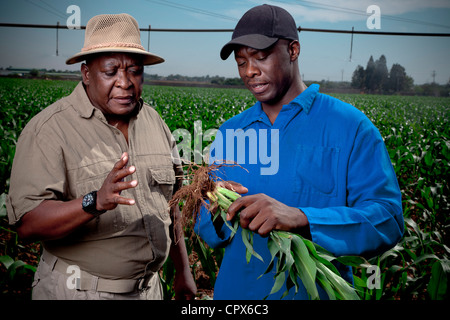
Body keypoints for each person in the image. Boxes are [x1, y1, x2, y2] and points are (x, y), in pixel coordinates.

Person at [195, 4, 404, 300]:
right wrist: (214, 210)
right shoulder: (230, 132)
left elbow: (388, 219)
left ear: (293, 51)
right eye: (241, 62)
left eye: (261, 57)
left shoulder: (351, 127)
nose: (250, 71)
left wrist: (302, 218)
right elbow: (206, 229)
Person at [6, 13, 196, 300]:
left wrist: (183, 272)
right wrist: (93, 202)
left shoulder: (154, 121)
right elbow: (27, 224)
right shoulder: (49, 130)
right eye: (111, 72)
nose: (125, 82)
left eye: (134, 70)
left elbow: (172, 206)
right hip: (80, 291)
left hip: (150, 290)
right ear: (86, 74)